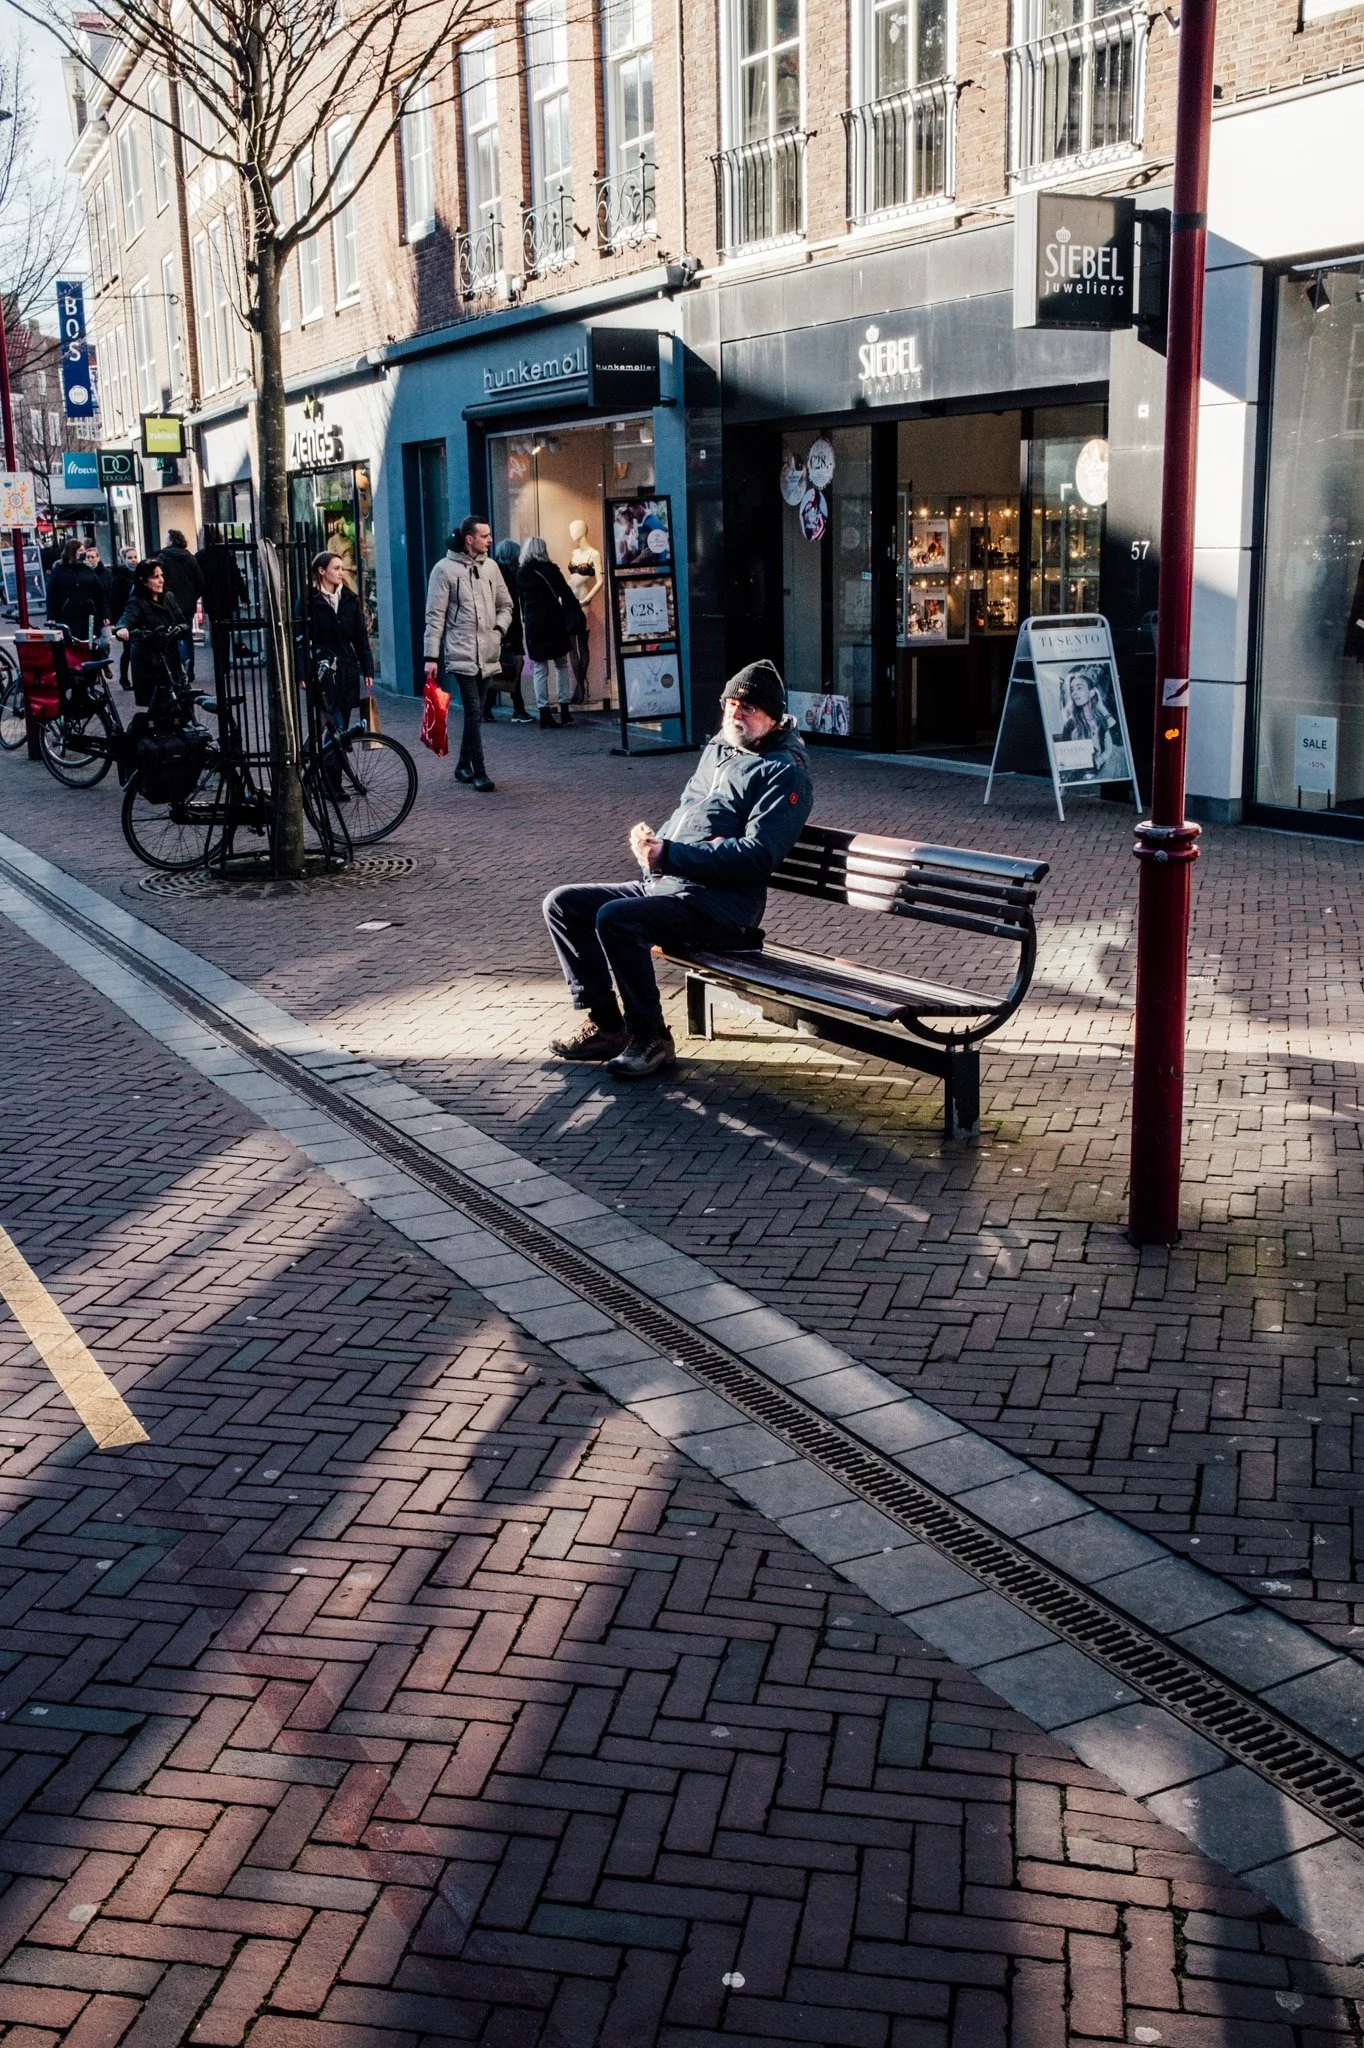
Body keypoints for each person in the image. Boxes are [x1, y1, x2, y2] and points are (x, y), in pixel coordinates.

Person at [542, 660, 814, 1079]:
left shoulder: (784, 771)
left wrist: (669, 855)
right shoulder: (719, 749)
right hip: (669, 885)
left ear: (773, 718)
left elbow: (757, 856)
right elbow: (690, 811)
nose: (736, 715)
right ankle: (609, 1026)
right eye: (731, 705)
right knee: (563, 904)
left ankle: (651, 1037)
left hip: (721, 908)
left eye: (748, 709)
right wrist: (653, 844)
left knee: (616, 919)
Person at [423, 514, 510, 792]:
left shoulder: (491, 568)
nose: (490, 540)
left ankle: (462, 765)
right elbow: (434, 616)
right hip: (461, 651)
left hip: (488, 650)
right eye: (485, 536)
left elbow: (506, 605)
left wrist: (498, 629)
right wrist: (430, 656)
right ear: (469, 539)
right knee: (474, 709)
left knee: (475, 712)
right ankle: (479, 771)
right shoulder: (444, 570)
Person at [518, 536, 585, 729]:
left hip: (533, 623)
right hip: (554, 621)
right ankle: (564, 709)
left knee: (540, 667)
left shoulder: (522, 573)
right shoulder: (552, 570)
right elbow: (565, 593)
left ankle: (544, 711)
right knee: (561, 663)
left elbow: (522, 600)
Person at [114, 559, 189, 713]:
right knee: (157, 705)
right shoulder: (137, 602)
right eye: (155, 577)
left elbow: (182, 621)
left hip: (170, 657)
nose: (161, 580)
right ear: (143, 581)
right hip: (149, 661)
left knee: (179, 700)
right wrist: (122, 629)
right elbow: (127, 618)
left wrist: (179, 629)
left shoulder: (168, 597)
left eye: (161, 575)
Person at [491, 537, 533, 724]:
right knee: (514, 666)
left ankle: (486, 708)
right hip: (509, 629)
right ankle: (519, 709)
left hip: (505, 628)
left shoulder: (495, 572)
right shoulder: (506, 576)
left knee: (502, 667)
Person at [157, 529, 203, 682]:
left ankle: (179, 666)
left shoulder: (163, 557)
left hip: (169, 602)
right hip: (188, 603)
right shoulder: (190, 557)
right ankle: (189, 663)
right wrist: (192, 597)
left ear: (171, 540)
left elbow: (160, 579)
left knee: (172, 634)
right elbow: (200, 581)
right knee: (186, 633)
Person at [44, 539, 107, 640]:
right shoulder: (59, 570)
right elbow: (51, 594)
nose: (83, 553)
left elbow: (99, 593)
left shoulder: (87, 569)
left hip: (88, 613)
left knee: (90, 642)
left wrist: (104, 614)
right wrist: (51, 616)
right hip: (67, 614)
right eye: (80, 550)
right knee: (70, 643)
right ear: (72, 552)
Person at [109, 545, 139, 690]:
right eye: (130, 558)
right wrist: (118, 621)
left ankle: (136, 678)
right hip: (126, 617)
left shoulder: (140, 574)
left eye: (135, 557)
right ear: (124, 559)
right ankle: (124, 678)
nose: (133, 560)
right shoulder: (119, 577)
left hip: (139, 616)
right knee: (128, 649)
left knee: (137, 649)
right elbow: (115, 600)